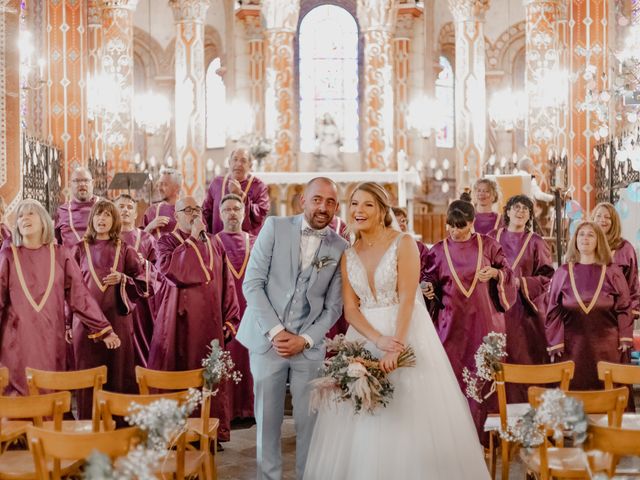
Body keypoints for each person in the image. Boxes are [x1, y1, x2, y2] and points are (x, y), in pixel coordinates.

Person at [304, 182, 489, 480]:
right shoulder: (348, 254)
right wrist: (377, 340)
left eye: (367, 204)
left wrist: (396, 344)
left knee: (409, 415)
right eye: (354, 204)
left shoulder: (403, 243)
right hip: (365, 338)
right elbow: (350, 309)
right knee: (364, 418)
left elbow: (408, 297)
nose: (358, 211)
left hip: (407, 332)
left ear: (381, 210)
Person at [237, 177, 348, 480]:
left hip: (308, 349)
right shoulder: (274, 227)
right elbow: (253, 283)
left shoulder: (340, 247)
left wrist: (305, 340)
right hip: (265, 341)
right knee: (268, 423)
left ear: (336, 207)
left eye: (329, 202)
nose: (322, 207)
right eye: (316, 199)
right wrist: (275, 332)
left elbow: (333, 307)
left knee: (309, 424)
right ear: (302, 200)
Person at [0, 199, 119, 396]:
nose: (24, 218)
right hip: (15, 342)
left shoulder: (60, 254)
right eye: (20, 216)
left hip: (50, 340)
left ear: (44, 220)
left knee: (49, 393)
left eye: (30, 213)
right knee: (18, 400)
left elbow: (79, 295)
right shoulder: (8, 255)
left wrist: (103, 329)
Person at [148, 196, 240, 442]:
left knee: (208, 378)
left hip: (210, 324)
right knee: (180, 376)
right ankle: (177, 434)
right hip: (178, 325)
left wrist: (231, 317)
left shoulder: (214, 242)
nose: (193, 214)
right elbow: (173, 271)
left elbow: (227, 281)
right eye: (187, 210)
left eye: (197, 209)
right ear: (176, 215)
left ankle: (209, 431)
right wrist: (192, 239)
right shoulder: (166, 242)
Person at [424, 199, 516, 439]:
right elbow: (429, 278)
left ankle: (482, 435)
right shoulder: (438, 250)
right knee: (452, 377)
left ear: (473, 222)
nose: (455, 231)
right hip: (451, 324)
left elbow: (508, 272)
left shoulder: (488, 245)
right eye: (451, 226)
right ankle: (454, 439)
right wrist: (428, 288)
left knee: (482, 376)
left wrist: (496, 273)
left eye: (461, 226)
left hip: (483, 322)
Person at [72, 200, 143, 418]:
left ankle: (118, 426)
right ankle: (88, 423)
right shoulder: (78, 249)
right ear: (92, 219)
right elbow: (69, 289)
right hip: (85, 324)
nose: (102, 219)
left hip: (117, 321)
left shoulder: (124, 249)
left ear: (114, 221)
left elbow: (143, 284)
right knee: (89, 373)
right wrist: (67, 322)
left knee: (118, 372)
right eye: (98, 215)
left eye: (107, 215)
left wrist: (123, 279)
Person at [545, 221, 633, 390]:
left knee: (609, 393)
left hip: (608, 346)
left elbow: (624, 306)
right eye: (581, 234)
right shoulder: (562, 272)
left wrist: (625, 336)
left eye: (590, 234)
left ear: (599, 241)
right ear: (575, 240)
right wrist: (555, 341)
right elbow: (553, 310)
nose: (585, 238)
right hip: (571, 347)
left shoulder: (612, 271)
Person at [488, 195, 555, 402]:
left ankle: (528, 402)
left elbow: (548, 277)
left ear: (530, 215)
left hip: (524, 310)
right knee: (497, 356)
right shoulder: (492, 237)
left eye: (525, 209)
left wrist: (521, 283)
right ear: (507, 212)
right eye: (516, 207)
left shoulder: (536, 242)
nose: (520, 212)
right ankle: (496, 404)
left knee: (524, 356)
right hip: (496, 305)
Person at [215, 193, 257, 420]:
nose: (232, 213)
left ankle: (249, 409)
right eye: (227, 209)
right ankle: (227, 411)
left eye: (236, 209)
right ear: (220, 214)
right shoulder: (212, 242)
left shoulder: (256, 242)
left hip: (252, 312)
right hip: (225, 312)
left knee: (250, 357)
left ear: (243, 213)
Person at [116, 193, 158, 366]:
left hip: (140, 304)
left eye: (130, 207)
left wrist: (144, 264)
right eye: (121, 206)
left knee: (141, 347)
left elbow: (158, 271)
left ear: (135, 214)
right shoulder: (107, 238)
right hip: (115, 301)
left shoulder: (147, 239)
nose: (125, 210)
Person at [202, 147, 270, 236]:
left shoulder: (259, 186)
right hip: (218, 243)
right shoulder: (217, 183)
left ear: (250, 165)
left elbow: (261, 213)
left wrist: (241, 195)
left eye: (243, 161)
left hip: (246, 244)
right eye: (235, 160)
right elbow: (206, 212)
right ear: (229, 163)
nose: (238, 164)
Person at [592, 202, 640, 319]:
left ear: (614, 222)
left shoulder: (625, 248)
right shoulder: (586, 243)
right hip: (589, 310)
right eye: (598, 216)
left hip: (617, 312)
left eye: (607, 217)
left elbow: (633, 282)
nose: (602, 220)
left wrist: (634, 308)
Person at [55, 167, 98, 247]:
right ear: (70, 184)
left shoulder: (104, 206)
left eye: (86, 180)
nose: (82, 184)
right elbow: (58, 243)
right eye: (77, 181)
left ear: (93, 183)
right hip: (70, 258)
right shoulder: (61, 211)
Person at [142, 167, 182, 239]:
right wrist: (149, 227)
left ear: (176, 188)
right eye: (159, 184)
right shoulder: (151, 211)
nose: (160, 188)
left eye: (165, 184)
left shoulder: (187, 211)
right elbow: (140, 241)